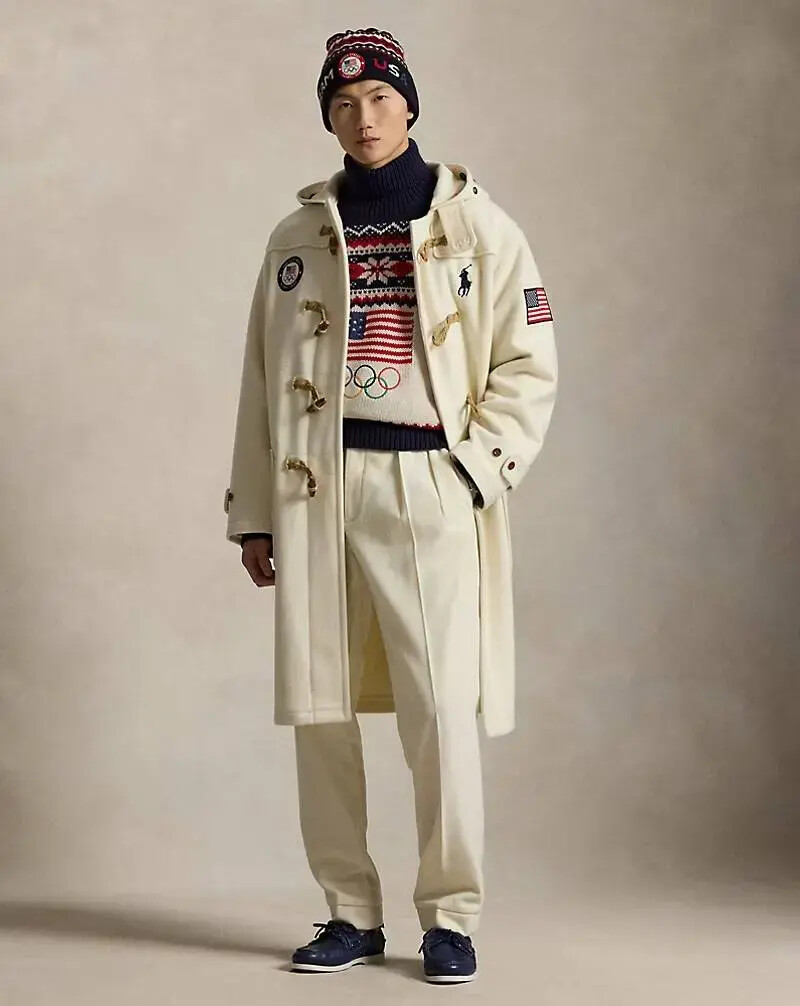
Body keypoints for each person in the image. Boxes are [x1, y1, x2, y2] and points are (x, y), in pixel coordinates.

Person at [223, 26, 558, 984]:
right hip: (314, 488)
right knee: (320, 708)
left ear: (409, 105)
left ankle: (450, 916)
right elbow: (260, 381)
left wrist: (473, 471)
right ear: (327, 119)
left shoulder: (481, 229)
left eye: (378, 99)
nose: (362, 117)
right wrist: (255, 511)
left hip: (426, 482)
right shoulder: (296, 236)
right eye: (342, 104)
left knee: (439, 707)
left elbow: (529, 363)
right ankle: (349, 913)